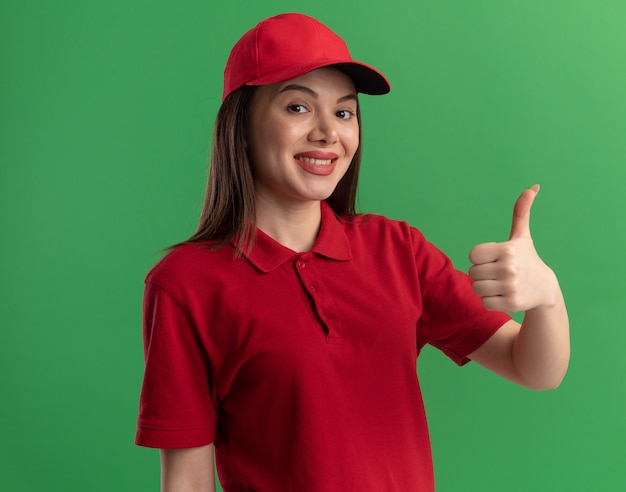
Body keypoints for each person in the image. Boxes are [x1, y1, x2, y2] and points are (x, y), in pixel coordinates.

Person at [135, 12, 570, 492]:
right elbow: (186, 481)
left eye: (344, 112)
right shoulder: (184, 284)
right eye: (298, 108)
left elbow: (534, 369)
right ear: (241, 123)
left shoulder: (398, 250)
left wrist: (547, 298)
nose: (328, 133)